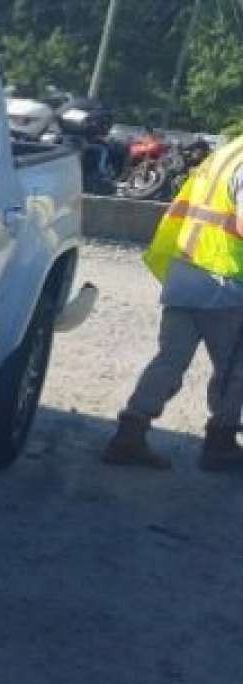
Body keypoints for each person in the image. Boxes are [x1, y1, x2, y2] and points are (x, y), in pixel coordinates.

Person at [102, 134, 243, 471]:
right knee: (234, 369)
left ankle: (129, 433)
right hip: (222, 281)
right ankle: (220, 444)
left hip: (185, 270)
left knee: (170, 360)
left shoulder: (226, 153)